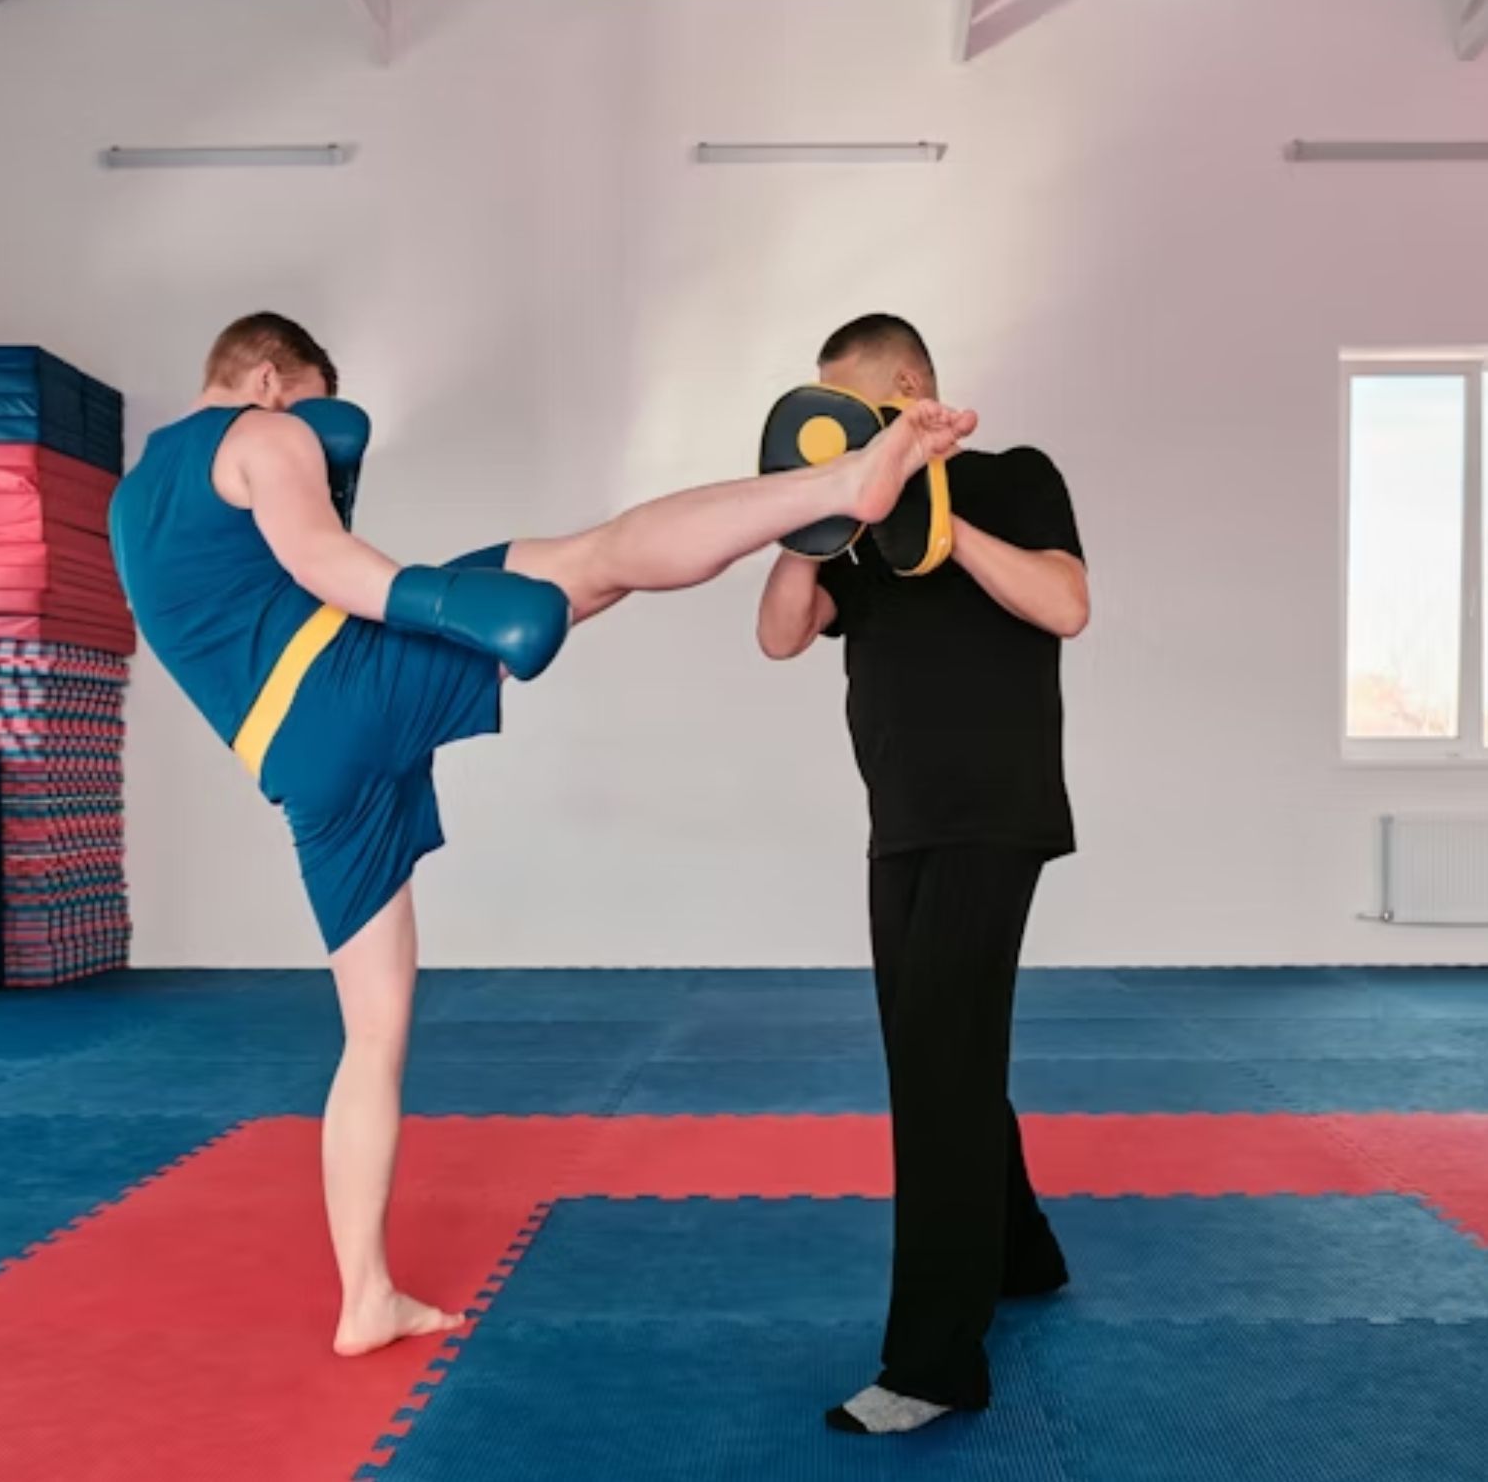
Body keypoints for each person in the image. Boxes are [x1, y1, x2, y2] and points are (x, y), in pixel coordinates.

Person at [110, 310, 968, 1358]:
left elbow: (226, 613)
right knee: (602, 555)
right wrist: (443, 603)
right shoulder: (263, 430)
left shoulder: (132, 500)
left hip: (291, 762)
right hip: (344, 679)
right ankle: (841, 487)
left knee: (373, 1032)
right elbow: (325, 558)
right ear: (272, 376)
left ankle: (365, 1299)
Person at [756, 313, 1089, 1437]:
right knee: (934, 1047)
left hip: (995, 816)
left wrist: (948, 533)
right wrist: (807, 527)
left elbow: (1066, 605)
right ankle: (1022, 1251)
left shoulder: (1015, 476)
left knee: (940, 1065)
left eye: (855, 411)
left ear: (907, 386)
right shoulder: (857, 526)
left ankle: (936, 1363)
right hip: (899, 823)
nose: (845, 435)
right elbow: (780, 639)